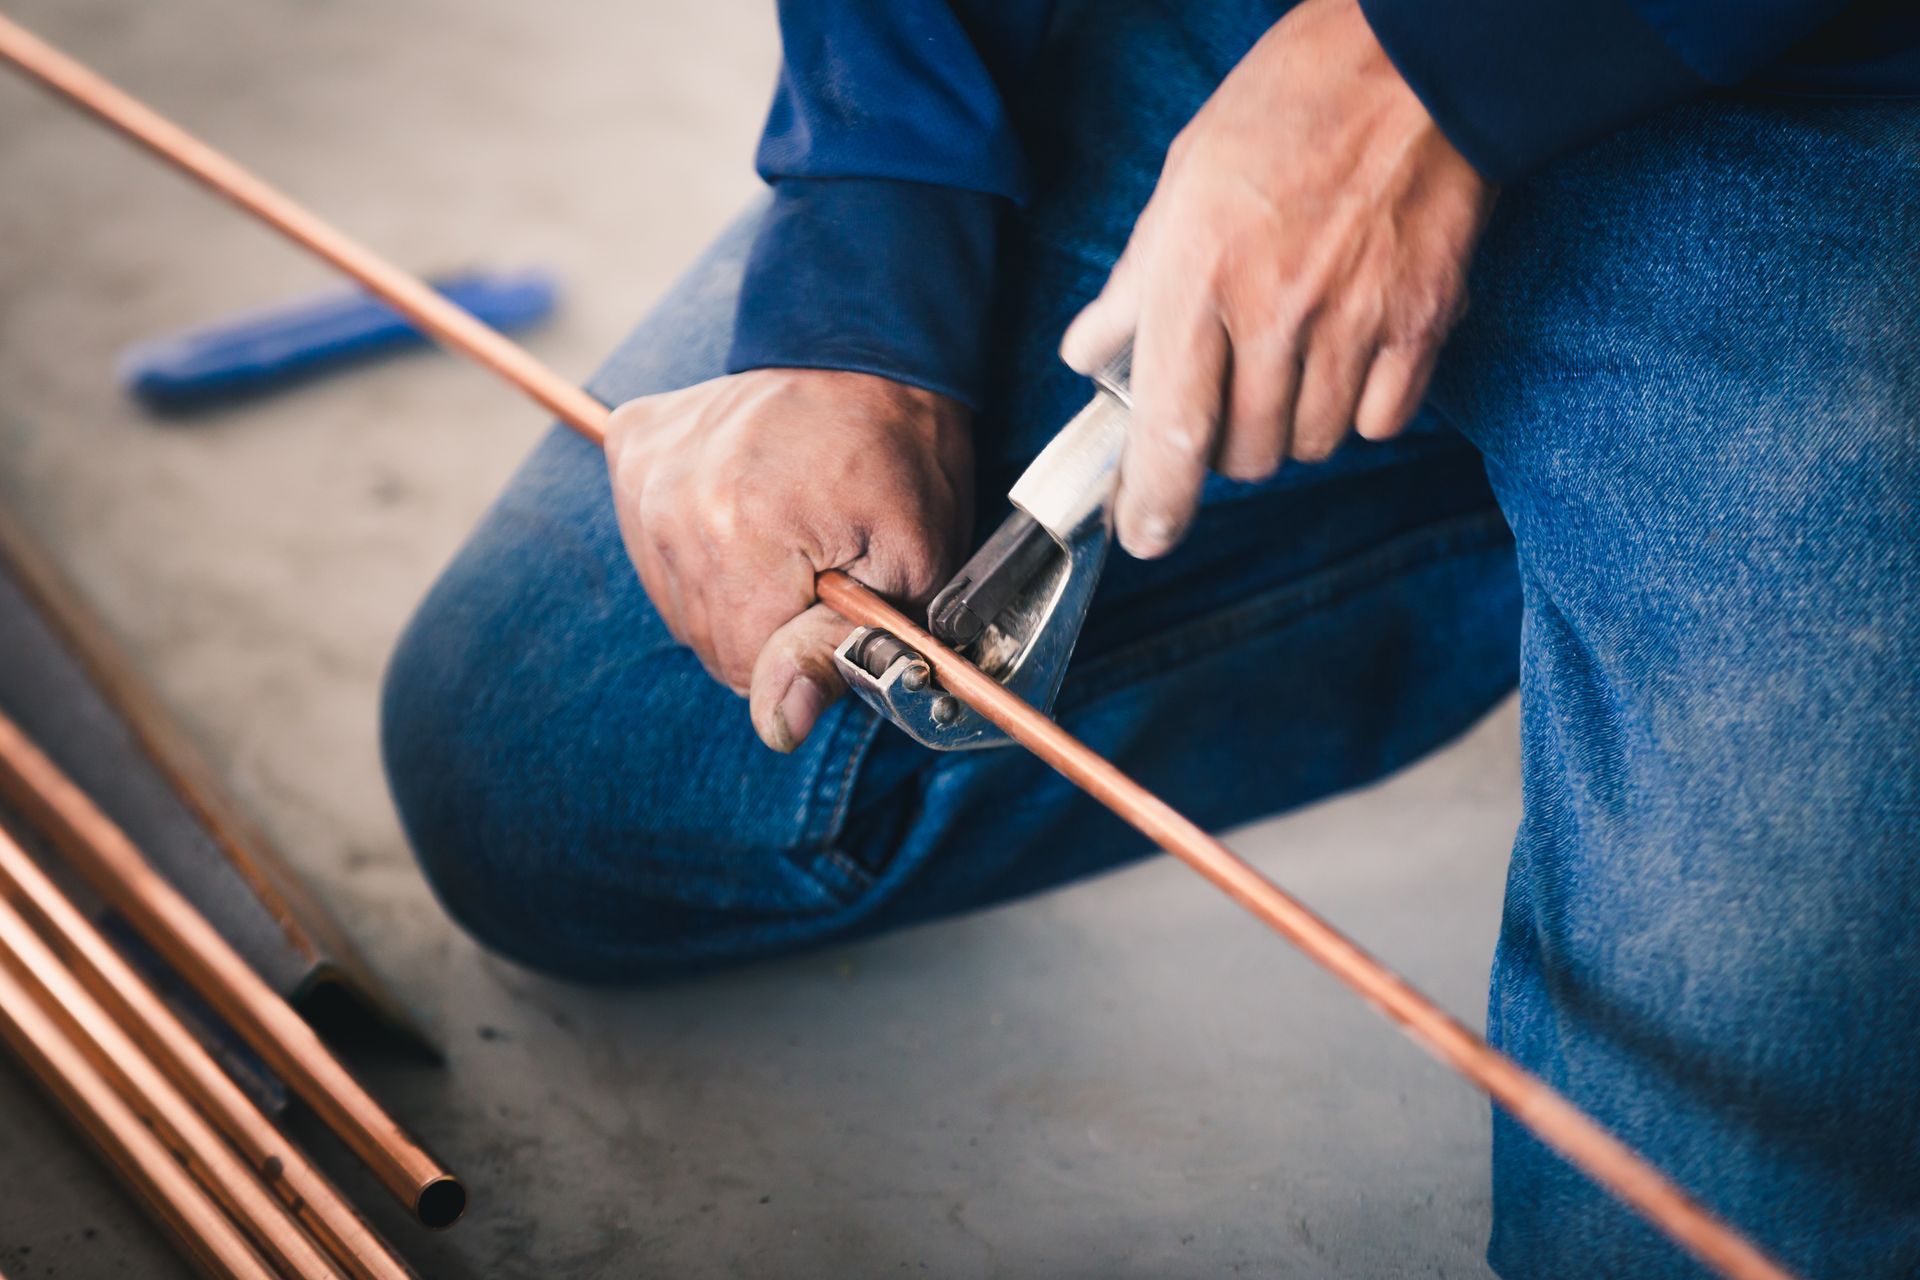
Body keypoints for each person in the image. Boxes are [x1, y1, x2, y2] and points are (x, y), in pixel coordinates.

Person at [380, 2, 1920, 1274]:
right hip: (1213, 55)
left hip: (1823, 104)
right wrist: (868, 255)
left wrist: (1423, 67)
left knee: (1701, 1228)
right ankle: (1474, 506)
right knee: (555, 760)